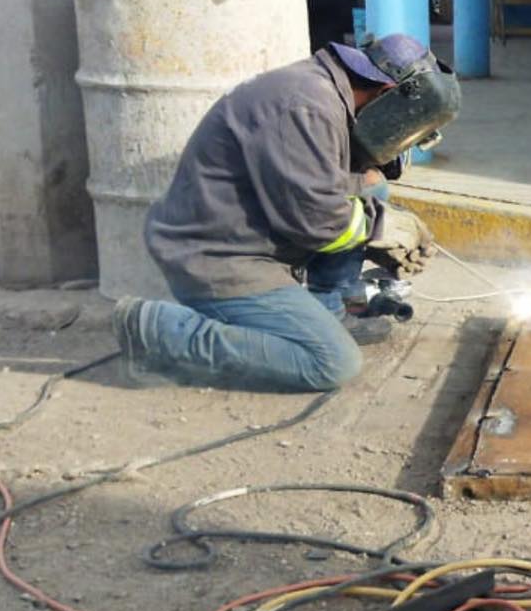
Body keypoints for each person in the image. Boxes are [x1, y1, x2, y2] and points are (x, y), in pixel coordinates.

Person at [111, 34, 461, 392]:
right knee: (332, 363)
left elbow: (338, 187)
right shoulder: (304, 108)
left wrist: (379, 229)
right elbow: (319, 222)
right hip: (217, 258)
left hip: (253, 232)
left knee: (372, 186)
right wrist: (384, 228)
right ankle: (157, 330)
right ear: (387, 93)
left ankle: (330, 308)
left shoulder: (329, 95)